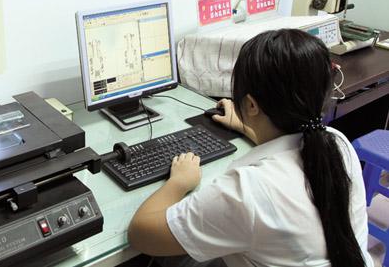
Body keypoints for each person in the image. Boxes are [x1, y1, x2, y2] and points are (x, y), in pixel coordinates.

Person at [127, 29, 373, 267]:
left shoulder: (249, 191)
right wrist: (249, 126)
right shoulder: (336, 142)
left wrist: (179, 182)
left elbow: (140, 234)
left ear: (251, 105)